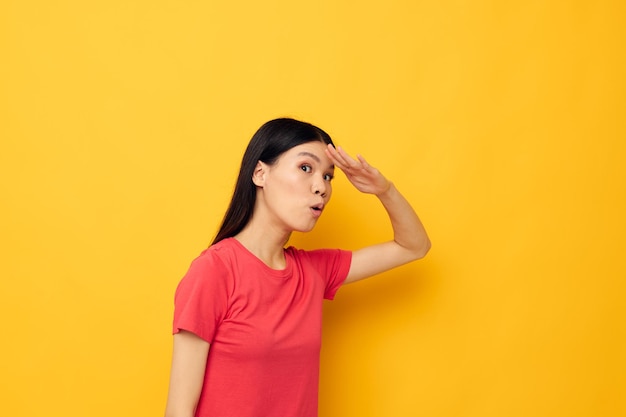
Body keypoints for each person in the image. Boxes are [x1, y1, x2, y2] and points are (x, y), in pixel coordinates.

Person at [164, 118, 430, 417]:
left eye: (329, 177)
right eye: (306, 168)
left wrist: (385, 190)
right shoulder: (215, 270)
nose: (321, 187)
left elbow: (414, 246)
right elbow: (179, 410)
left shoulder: (314, 271)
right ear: (260, 173)